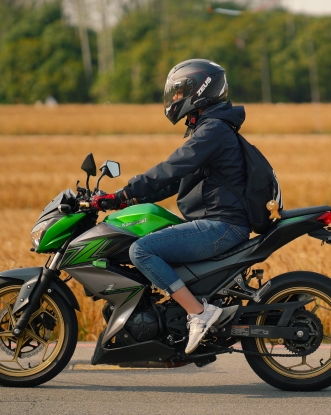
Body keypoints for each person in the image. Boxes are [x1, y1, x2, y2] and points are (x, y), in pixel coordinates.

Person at [93, 59, 249, 354]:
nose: (174, 99)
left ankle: (200, 314)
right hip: (220, 222)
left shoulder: (212, 129)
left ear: (199, 91)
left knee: (141, 250)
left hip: (221, 226)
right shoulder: (211, 128)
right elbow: (172, 182)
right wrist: (129, 197)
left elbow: (172, 168)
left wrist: (122, 193)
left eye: (179, 92)